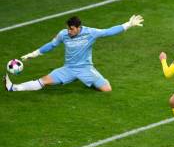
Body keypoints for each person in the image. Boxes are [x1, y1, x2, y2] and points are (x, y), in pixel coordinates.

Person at [4, 15, 144, 92]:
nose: (69, 31)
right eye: (68, 29)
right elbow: (51, 45)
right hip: (68, 68)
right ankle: (14, 87)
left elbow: (108, 31)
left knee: (107, 89)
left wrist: (128, 24)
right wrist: (34, 54)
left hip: (85, 68)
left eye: (71, 29)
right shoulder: (63, 34)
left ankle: (90, 79)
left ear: (78, 28)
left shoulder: (90, 33)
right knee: (44, 81)